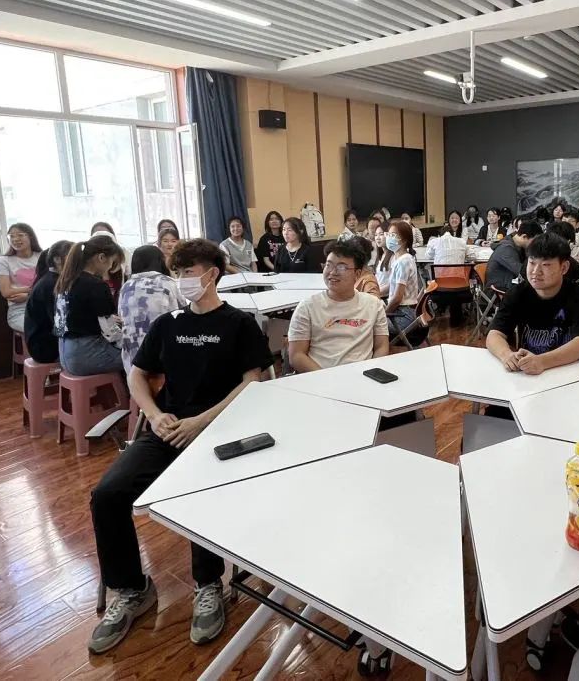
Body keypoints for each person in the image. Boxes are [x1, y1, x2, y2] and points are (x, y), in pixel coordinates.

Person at [88, 239, 272, 655]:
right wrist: (154, 415)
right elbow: (137, 375)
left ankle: (208, 584)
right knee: (108, 494)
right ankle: (132, 589)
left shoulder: (239, 324)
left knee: (196, 491)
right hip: (167, 429)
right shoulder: (168, 324)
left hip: (219, 430)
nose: (182, 280)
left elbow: (253, 381)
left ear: (213, 274)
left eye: (189, 272)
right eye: (178, 272)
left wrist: (201, 421)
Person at [487, 232, 579, 380]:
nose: (535, 272)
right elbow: (494, 334)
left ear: (564, 268)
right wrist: (507, 355)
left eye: (546, 265)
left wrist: (542, 361)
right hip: (530, 375)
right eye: (532, 263)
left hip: (570, 374)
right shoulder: (518, 293)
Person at [287, 239, 389, 372]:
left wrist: (372, 372)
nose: (332, 272)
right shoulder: (307, 307)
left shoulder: (373, 305)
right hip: (320, 376)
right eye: (328, 265)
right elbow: (296, 355)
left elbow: (381, 346)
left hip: (363, 376)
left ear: (357, 274)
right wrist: (327, 378)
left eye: (341, 267)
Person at [54, 235, 126, 376]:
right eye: (112, 262)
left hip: (64, 355)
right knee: (141, 358)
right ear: (101, 258)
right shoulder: (97, 285)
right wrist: (129, 343)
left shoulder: (66, 281)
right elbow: (110, 332)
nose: (111, 268)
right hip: (86, 356)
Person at [117, 245, 184, 375]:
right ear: (160, 261)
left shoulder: (126, 286)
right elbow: (183, 312)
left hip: (132, 360)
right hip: (163, 357)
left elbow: (121, 317)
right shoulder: (168, 283)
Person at [24, 239, 73, 364]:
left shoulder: (53, 280)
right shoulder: (53, 284)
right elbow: (60, 325)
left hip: (44, 343)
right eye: (73, 256)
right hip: (45, 349)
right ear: (57, 260)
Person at [0, 222, 42, 332]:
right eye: (11, 236)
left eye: (20, 235)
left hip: (42, 305)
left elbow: (49, 287)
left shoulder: (42, 256)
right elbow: (6, 292)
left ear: (30, 236)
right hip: (19, 310)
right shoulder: (3, 261)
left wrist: (28, 295)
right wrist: (34, 290)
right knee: (36, 329)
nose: (15, 239)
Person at [379, 221, 423, 337]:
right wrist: (375, 293)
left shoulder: (403, 262)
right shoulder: (402, 259)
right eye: (388, 234)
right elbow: (392, 285)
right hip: (403, 312)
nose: (389, 238)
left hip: (403, 316)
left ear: (404, 240)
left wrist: (385, 314)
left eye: (393, 235)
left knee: (370, 325)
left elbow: (397, 298)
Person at [485, 221, 541, 294]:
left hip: (509, 285)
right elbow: (523, 272)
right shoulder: (505, 249)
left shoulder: (516, 245)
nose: (536, 244)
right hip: (497, 290)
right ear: (524, 236)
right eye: (534, 241)